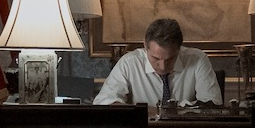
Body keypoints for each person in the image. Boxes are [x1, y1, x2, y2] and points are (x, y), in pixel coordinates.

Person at [93, 18, 222, 107]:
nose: (163, 67)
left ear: (180, 48)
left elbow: (213, 104)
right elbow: (103, 102)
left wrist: (171, 112)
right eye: (155, 58)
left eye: (170, 59)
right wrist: (138, 112)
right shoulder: (129, 63)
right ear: (145, 46)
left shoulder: (197, 59)